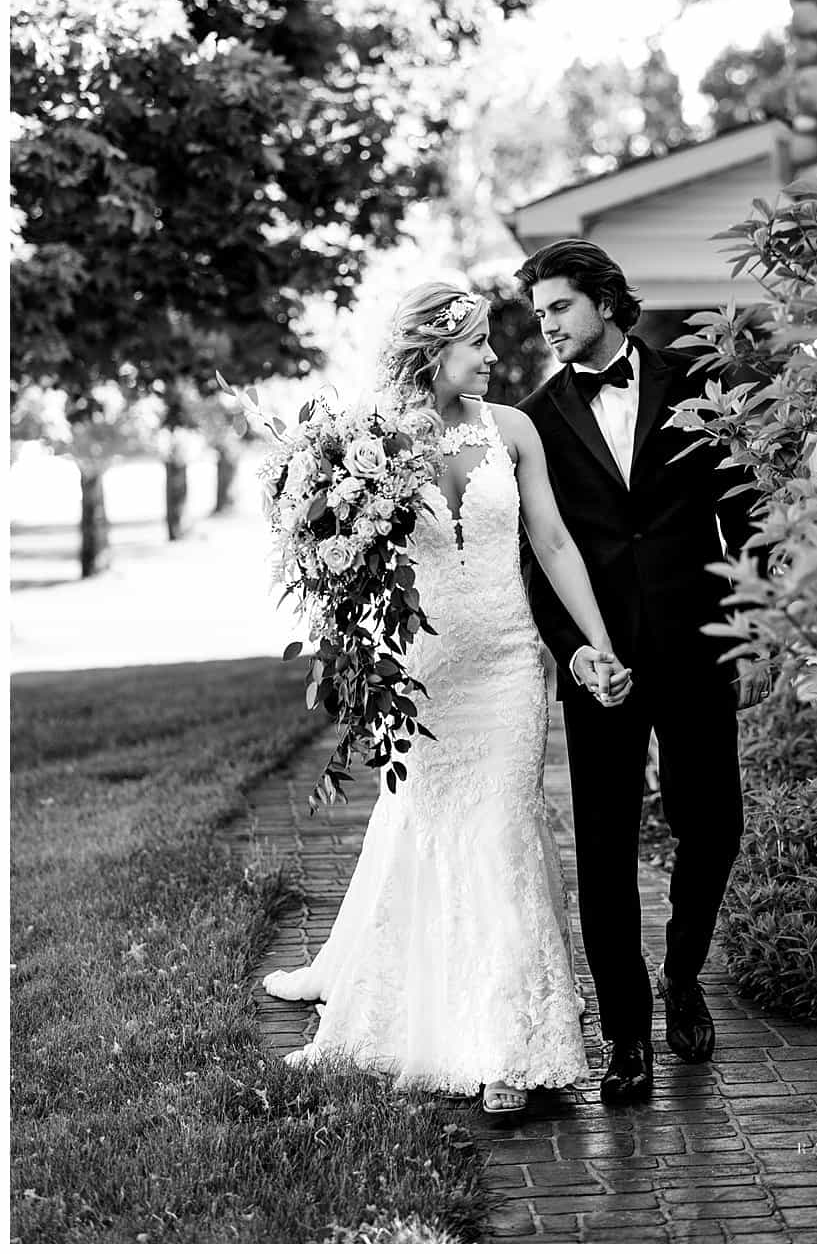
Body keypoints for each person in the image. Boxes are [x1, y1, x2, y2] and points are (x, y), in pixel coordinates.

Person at [262, 283, 631, 1118]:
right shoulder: (368, 443)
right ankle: (438, 1009)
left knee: (502, 830)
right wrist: (351, 646)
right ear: (432, 347)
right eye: (476, 342)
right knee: (434, 835)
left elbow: (554, 540)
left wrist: (596, 645)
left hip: (506, 665)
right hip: (422, 674)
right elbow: (337, 565)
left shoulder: (515, 431)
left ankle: (513, 1047)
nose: (496, 356)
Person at [515, 239, 760, 1105]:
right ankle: (626, 1038)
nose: (546, 325)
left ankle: (683, 973)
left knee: (714, 822)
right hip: (601, 665)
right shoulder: (535, 419)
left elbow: (745, 516)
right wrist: (576, 653)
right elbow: (536, 558)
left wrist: (757, 616)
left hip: (697, 646)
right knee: (604, 849)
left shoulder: (697, 386)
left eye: (558, 308)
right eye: (539, 312)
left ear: (608, 302)